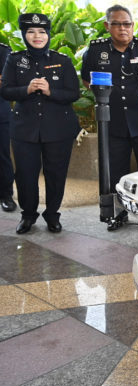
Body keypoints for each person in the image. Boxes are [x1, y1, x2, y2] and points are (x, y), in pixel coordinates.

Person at [0, 13, 80, 234]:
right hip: (25, 129)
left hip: (58, 130)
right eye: (31, 32)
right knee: (25, 174)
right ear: (24, 35)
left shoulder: (62, 60)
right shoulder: (14, 60)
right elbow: (5, 90)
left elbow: (73, 93)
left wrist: (49, 90)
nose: (37, 36)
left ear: (48, 34)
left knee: (56, 174)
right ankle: (28, 216)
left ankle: (53, 215)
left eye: (42, 32)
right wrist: (26, 89)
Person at [81, 5, 138, 230]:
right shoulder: (96, 50)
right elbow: (87, 80)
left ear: (133, 25)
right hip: (112, 123)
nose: (123, 28)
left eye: (127, 24)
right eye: (117, 24)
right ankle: (119, 214)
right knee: (117, 172)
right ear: (107, 26)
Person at [0, 42, 16, 213]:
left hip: (0, 114)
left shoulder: (3, 51)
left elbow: (4, 81)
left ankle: (6, 195)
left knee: (2, 156)